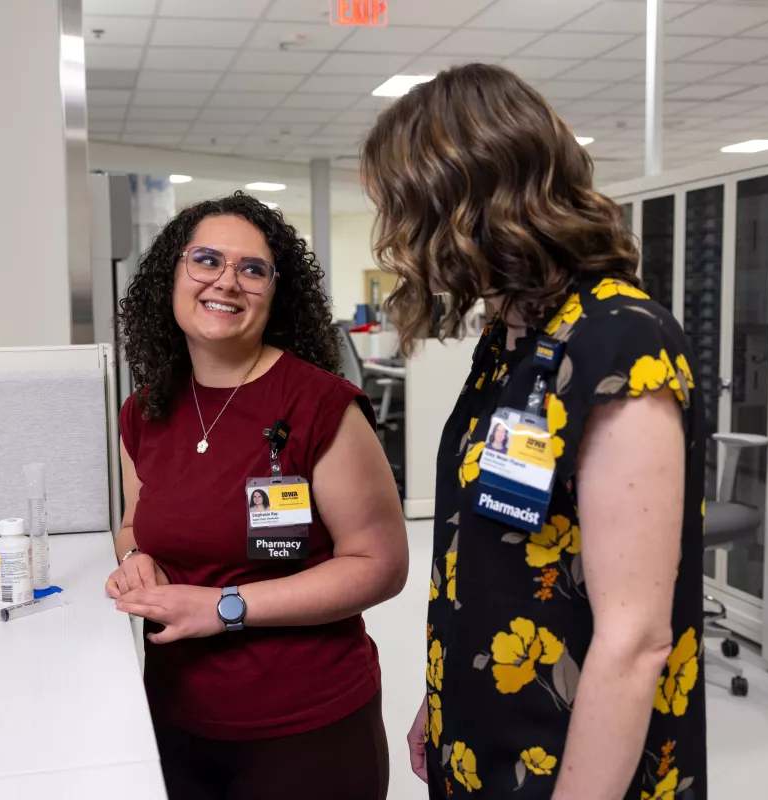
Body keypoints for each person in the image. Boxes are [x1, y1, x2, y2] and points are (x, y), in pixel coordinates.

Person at [361, 64, 707, 800]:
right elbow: (493, 542)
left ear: (466, 199)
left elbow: (634, 639)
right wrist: (447, 696)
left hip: (572, 757)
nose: (397, 237)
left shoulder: (618, 337)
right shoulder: (516, 335)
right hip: (491, 723)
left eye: (404, 209)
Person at [107, 192, 408, 800]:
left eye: (252, 269)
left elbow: (380, 565)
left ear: (277, 293)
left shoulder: (320, 406)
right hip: (175, 721)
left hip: (305, 731)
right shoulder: (145, 412)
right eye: (207, 260)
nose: (227, 281)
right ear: (172, 276)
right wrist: (134, 558)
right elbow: (136, 525)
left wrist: (224, 607)